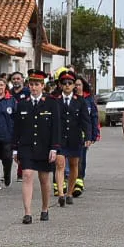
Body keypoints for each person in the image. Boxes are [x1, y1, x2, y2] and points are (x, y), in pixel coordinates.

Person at [11, 70, 58, 223]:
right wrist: (15, 148)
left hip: (44, 147)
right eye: (31, 84)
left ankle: (45, 208)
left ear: (42, 86)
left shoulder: (51, 103)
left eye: (37, 84)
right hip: (27, 146)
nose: (34, 87)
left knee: (44, 179)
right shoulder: (22, 103)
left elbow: (56, 127)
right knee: (27, 175)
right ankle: (28, 213)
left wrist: (54, 148)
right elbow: (16, 128)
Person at [52, 70, 92, 206]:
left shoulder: (80, 101)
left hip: (75, 138)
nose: (67, 85)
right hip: (59, 138)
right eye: (64, 83)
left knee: (74, 165)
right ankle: (61, 194)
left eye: (70, 83)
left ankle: (69, 193)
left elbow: (86, 120)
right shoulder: (55, 100)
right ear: (60, 85)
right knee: (60, 165)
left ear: (74, 85)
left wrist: (88, 136)